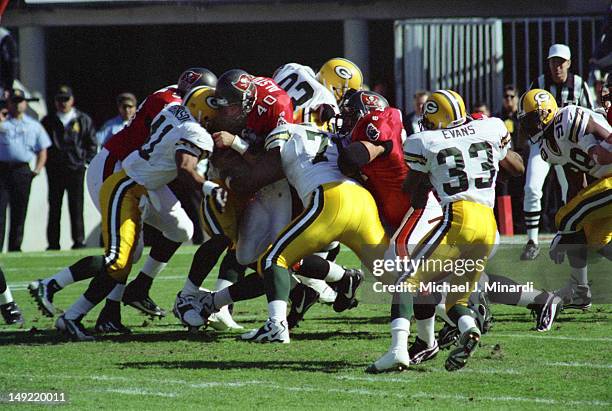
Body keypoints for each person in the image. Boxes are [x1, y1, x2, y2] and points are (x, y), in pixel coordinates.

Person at [36, 87, 218, 341]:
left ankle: (92, 309)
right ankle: (58, 290)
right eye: (216, 109)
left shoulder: (175, 109)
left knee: (153, 243)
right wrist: (211, 188)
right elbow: (185, 168)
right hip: (125, 184)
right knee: (121, 258)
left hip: (137, 182)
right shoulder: (192, 127)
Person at [369, 89, 523, 372]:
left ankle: (397, 350)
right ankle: (467, 330)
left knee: (406, 281)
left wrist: (426, 176)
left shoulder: (425, 141)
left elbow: (413, 195)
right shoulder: (489, 127)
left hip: (459, 219)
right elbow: (515, 167)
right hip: (488, 225)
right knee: (457, 299)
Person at [518, 88, 612, 311]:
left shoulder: (568, 117)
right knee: (594, 237)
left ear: (546, 112)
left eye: (532, 119)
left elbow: (605, 137)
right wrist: (568, 234)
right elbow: (576, 184)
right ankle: (581, 291)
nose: (530, 126)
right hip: (605, 183)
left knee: (565, 218)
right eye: (526, 121)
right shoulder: (548, 147)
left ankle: (579, 289)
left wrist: (565, 229)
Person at [522, 44, 595, 260]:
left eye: (561, 62)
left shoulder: (579, 84)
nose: (557, 66)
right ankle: (532, 241)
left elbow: (590, 114)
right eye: (553, 62)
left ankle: (568, 236)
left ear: (569, 63)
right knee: (532, 188)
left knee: (569, 191)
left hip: (568, 146)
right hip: (543, 143)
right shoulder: (539, 84)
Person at [42, 85, 97, 250]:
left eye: (66, 99)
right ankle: (53, 243)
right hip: (55, 170)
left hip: (76, 169)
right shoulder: (48, 120)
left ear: (72, 100)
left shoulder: (82, 119)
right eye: (60, 99)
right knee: (54, 207)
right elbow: (43, 145)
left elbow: (92, 143)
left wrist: (85, 162)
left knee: (76, 206)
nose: (63, 103)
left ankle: (79, 241)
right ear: (55, 101)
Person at [0, 88, 51, 252]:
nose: (17, 105)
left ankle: (15, 247)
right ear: (8, 104)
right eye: (13, 101)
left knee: (19, 211)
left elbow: (42, 149)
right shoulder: (2, 123)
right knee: (0, 211)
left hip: (22, 170)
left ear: (25, 104)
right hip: (2, 170)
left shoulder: (34, 125)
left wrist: (37, 169)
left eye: (20, 101)